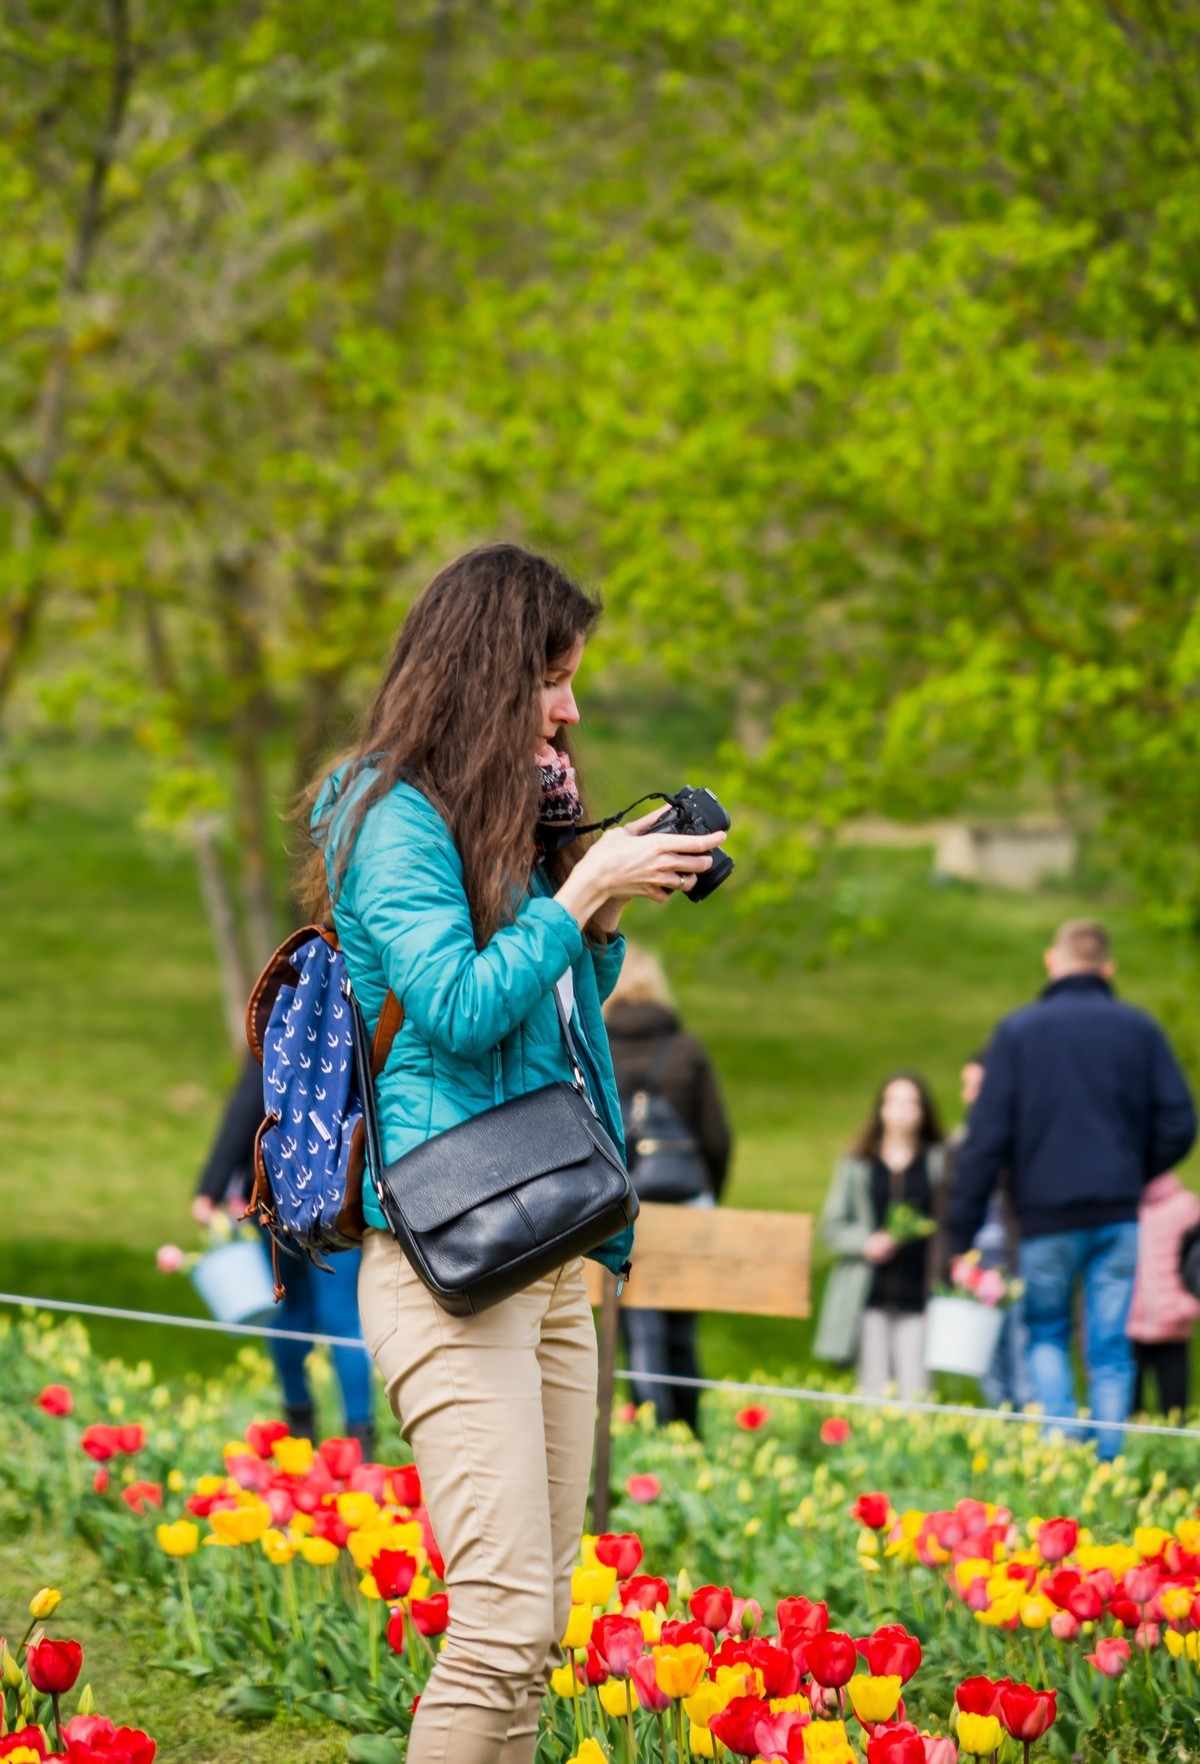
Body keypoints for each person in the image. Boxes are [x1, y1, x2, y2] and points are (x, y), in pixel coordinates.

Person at [303, 543, 726, 1764]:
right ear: (493, 673)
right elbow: (457, 1006)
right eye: (555, 679)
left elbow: (562, 1018)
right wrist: (578, 885)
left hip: (545, 1244)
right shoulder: (388, 819)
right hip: (448, 1248)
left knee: (540, 1629)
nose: (573, 709)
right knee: (495, 1625)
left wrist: (577, 885)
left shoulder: (492, 818)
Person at [945, 918, 1197, 1459]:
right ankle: (1107, 1462)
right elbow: (1180, 1122)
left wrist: (957, 1233)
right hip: (1117, 1220)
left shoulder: (1018, 1032)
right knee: (1109, 1349)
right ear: (1108, 968)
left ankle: (1064, 1459)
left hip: (1045, 1221)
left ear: (1051, 962)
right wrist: (1131, 1170)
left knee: (1047, 1334)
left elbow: (985, 1140)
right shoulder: (1140, 1030)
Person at [193, 1057, 375, 1452]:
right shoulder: (361, 1004)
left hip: (279, 1190)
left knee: (290, 1310)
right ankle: (361, 1450)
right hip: (339, 1189)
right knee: (343, 1318)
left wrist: (211, 1188)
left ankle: (300, 1432)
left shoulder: (282, 1005)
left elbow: (247, 1102)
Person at [603, 943, 732, 1432]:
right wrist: (708, 1196)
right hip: (685, 1202)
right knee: (681, 1325)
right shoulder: (687, 1050)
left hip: (626, 1206)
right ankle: (688, 1429)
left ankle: (647, 1429)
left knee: (638, 1325)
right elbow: (717, 1137)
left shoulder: (600, 1046)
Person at [814, 1071, 946, 1399]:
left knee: (916, 1392)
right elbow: (832, 1226)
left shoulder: (939, 1163)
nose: (901, 1110)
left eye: (911, 1102)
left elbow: (949, 1225)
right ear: (881, 1109)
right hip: (869, 1295)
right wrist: (865, 1242)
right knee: (871, 1391)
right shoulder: (858, 1163)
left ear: (923, 1111)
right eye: (894, 1101)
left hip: (919, 1297)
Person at [941, 1051, 1030, 1412]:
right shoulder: (957, 1145)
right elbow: (945, 1215)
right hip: (974, 1273)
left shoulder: (1025, 1142)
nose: (968, 1095)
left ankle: (1038, 1447)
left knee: (1024, 1369)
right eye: (966, 1086)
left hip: (1019, 1267)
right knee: (988, 1372)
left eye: (976, 1085)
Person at [1127, 1171, 1200, 1416]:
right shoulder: (1119, 1207)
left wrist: (1189, 1302)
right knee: (1129, 1411)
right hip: (1128, 1324)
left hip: (1174, 1325)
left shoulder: (1185, 1205)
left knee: (1176, 1410)